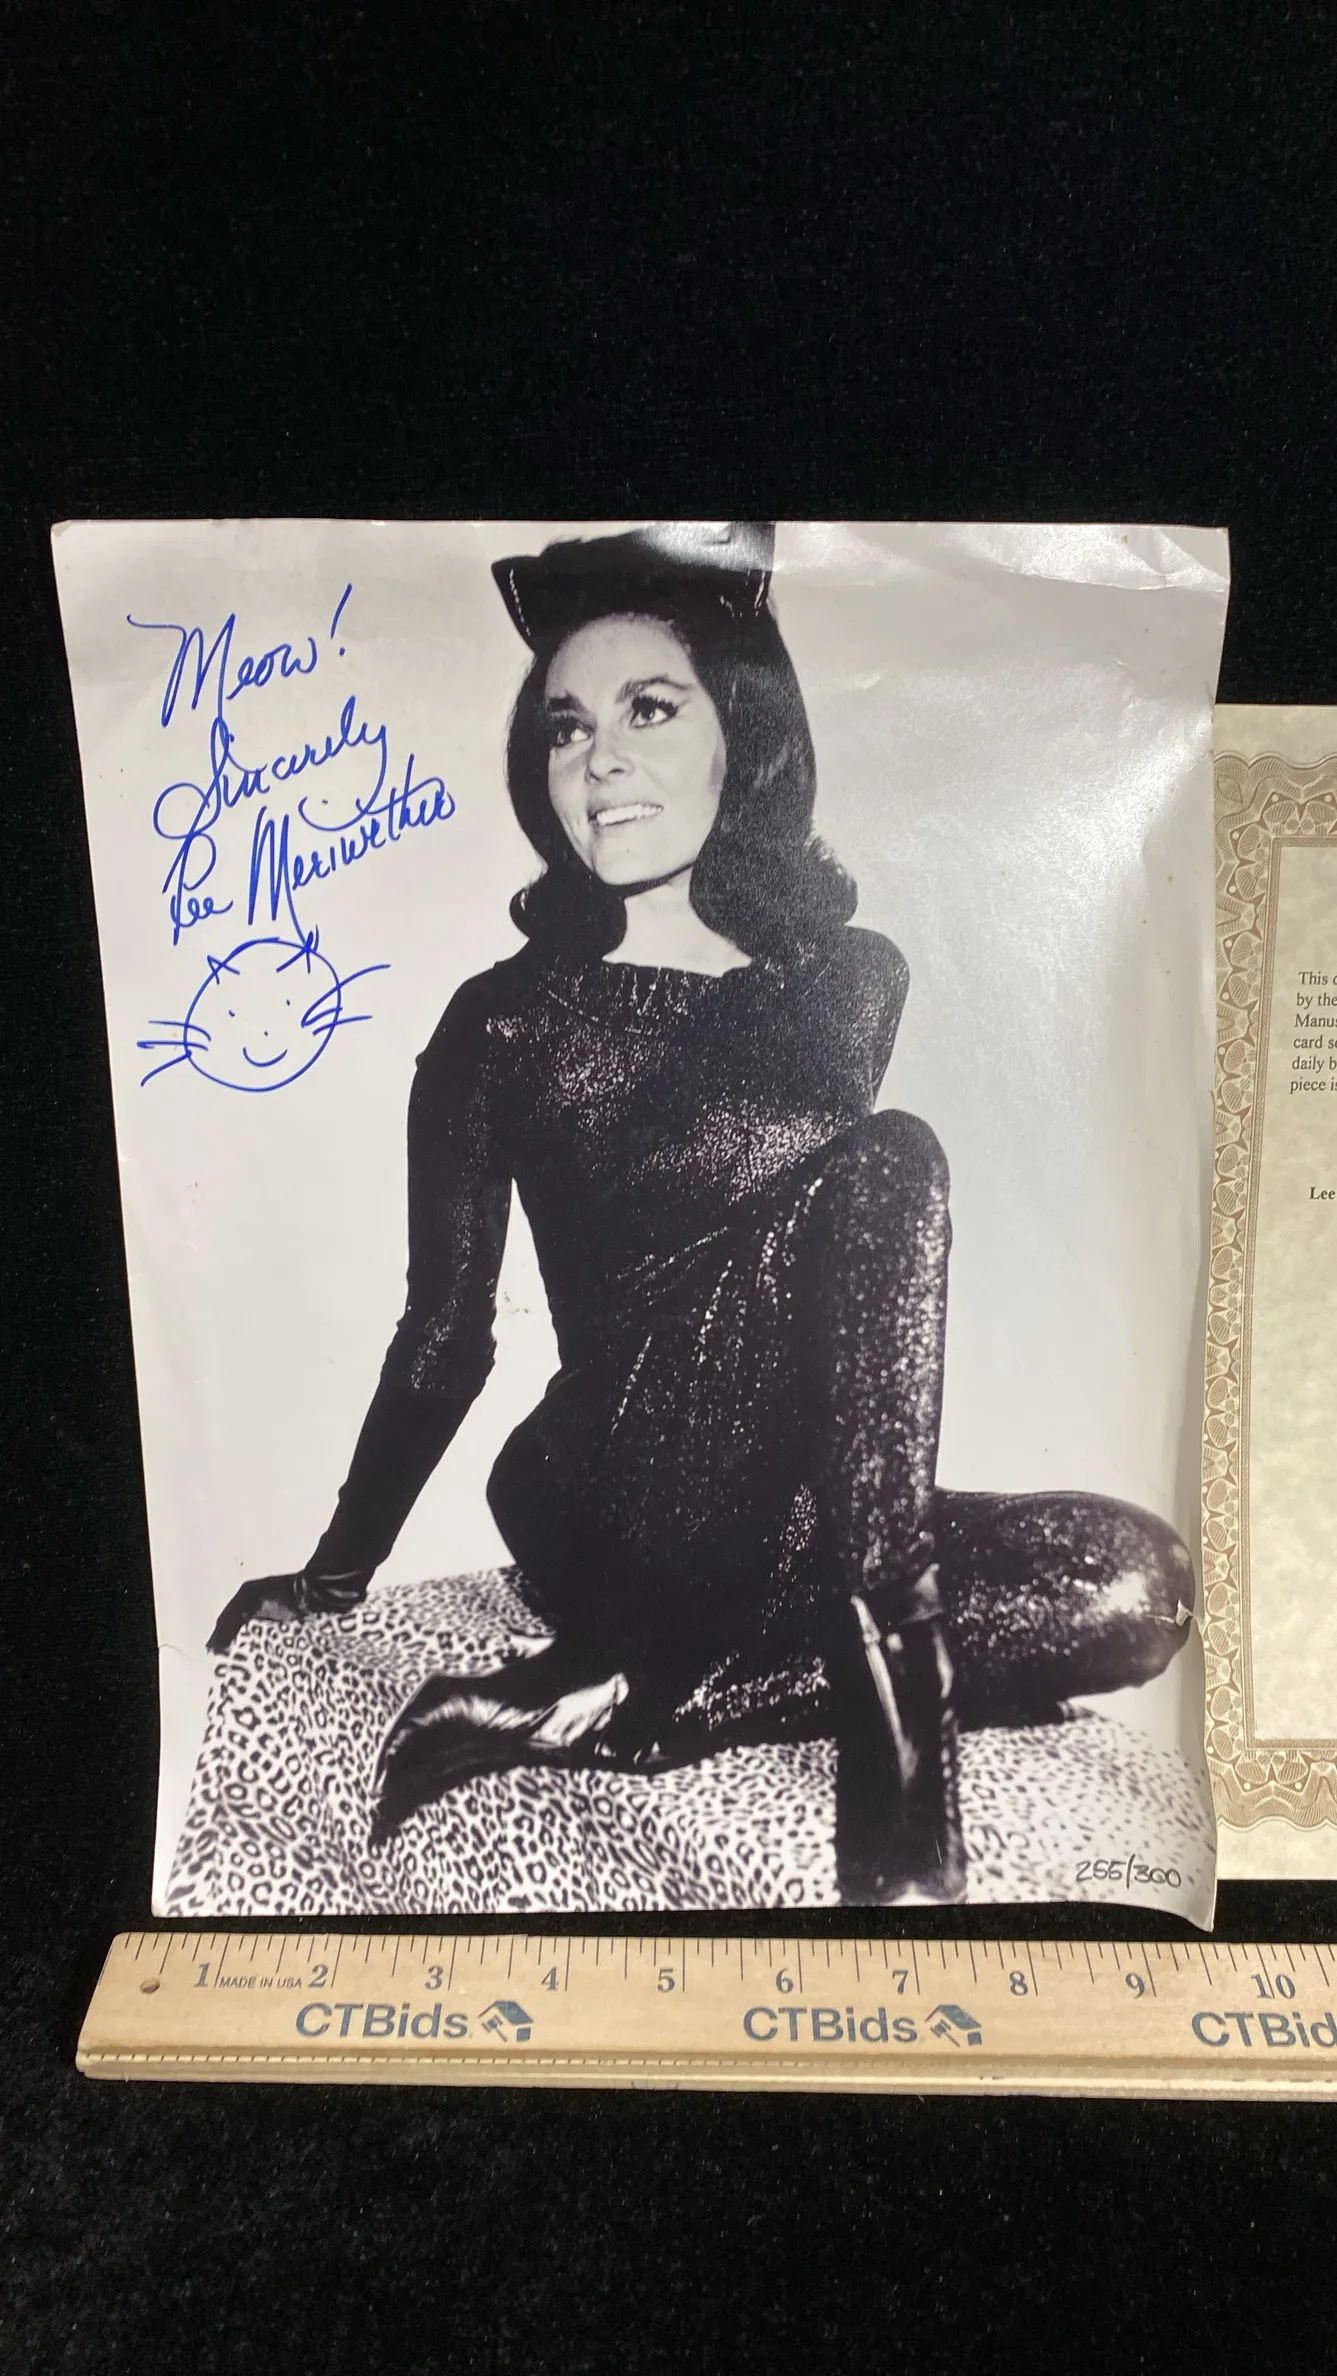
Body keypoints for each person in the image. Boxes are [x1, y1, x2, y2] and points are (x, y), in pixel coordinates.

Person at [207, 521, 1194, 1906]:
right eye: (565, 727)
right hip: (606, 1491)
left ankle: (649, 1706)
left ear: (745, 737)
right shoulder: (500, 1024)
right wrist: (331, 1576)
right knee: (895, 1157)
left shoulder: (847, 981)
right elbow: (447, 1329)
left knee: (1134, 1584)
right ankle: (903, 1838)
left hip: (796, 1520)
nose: (598, 760)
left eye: (649, 710)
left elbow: (807, 1237)